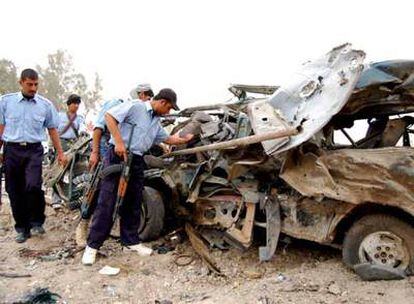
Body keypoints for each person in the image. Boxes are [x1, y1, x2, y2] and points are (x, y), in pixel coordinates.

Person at [82, 88, 192, 265]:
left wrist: (184, 139)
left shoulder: (156, 122)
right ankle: (92, 246)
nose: (169, 112)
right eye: (169, 108)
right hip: (118, 156)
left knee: (133, 201)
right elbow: (109, 117)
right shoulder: (136, 107)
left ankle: (130, 242)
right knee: (107, 201)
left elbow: (167, 139)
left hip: (137, 160)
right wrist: (118, 142)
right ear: (162, 102)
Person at [76, 84, 154, 246]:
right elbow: (98, 129)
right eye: (147, 96)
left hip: (126, 150)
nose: (149, 100)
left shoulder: (145, 114)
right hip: (108, 145)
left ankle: (127, 235)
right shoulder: (116, 104)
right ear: (140, 94)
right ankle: (84, 222)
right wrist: (95, 152)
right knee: (100, 188)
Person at [0, 68, 66, 243]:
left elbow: (52, 130)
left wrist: (60, 153)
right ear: (20, 82)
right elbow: (1, 129)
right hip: (12, 150)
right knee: (14, 190)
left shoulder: (45, 105)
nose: (33, 88)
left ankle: (37, 221)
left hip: (34, 150)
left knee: (33, 186)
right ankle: (22, 228)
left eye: (36, 84)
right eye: (29, 84)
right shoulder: (6, 102)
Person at [52, 94, 85, 209]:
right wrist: (53, 146)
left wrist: (83, 132)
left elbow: (82, 128)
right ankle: (56, 199)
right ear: (68, 104)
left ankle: (70, 198)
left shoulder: (80, 118)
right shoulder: (59, 116)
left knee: (72, 172)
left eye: (78, 103)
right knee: (58, 172)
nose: (76, 106)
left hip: (75, 146)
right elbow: (53, 130)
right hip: (61, 144)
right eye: (74, 103)